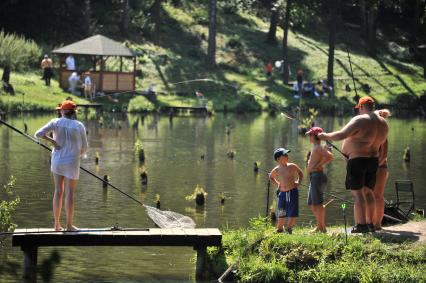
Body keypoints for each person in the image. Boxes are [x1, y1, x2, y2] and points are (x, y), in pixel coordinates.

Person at [317, 96, 388, 233]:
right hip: (373, 161)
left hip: (358, 161)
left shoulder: (360, 119)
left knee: (358, 194)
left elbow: (341, 135)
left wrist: (324, 136)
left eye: (359, 109)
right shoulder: (383, 123)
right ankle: (370, 224)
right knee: (368, 193)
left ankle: (361, 225)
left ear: (361, 107)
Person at [35, 100, 88, 231]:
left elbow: (38, 134)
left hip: (57, 161)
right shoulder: (79, 125)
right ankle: (69, 226)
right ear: (73, 112)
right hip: (72, 163)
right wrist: (77, 155)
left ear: (63, 111)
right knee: (70, 193)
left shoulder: (55, 122)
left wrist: (52, 141)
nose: (59, 111)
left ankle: (57, 225)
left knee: (58, 191)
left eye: (60, 109)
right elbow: (85, 148)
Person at [305, 127, 334, 233]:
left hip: (317, 176)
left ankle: (322, 228)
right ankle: (320, 226)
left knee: (317, 203)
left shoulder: (318, 147)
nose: (309, 137)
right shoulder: (316, 147)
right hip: (314, 176)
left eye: (310, 135)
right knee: (312, 203)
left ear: (314, 136)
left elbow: (330, 156)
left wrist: (319, 165)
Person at [269, 148, 303, 234]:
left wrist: (298, 182)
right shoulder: (277, 169)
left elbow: (300, 173)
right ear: (278, 159)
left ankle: (289, 228)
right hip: (282, 193)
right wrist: (278, 184)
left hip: (292, 191)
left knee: (292, 211)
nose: (287, 156)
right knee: (281, 211)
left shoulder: (292, 166)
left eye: (287, 154)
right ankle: (279, 229)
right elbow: (271, 177)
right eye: (284, 155)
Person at [372, 109, 391, 230]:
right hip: (372, 168)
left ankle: (378, 224)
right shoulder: (372, 134)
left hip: (380, 168)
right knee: (371, 196)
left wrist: (375, 166)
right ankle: (371, 222)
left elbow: (383, 157)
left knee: (378, 196)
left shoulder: (383, 137)